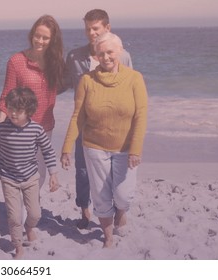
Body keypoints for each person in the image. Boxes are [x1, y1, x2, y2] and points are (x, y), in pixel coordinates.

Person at [60, 32, 148, 248]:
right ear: (96, 56)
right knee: (101, 196)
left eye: (110, 52)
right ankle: (107, 238)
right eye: (101, 53)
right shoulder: (87, 80)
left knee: (124, 197)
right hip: (94, 146)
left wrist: (136, 149)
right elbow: (78, 116)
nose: (106, 57)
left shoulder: (134, 78)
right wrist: (66, 148)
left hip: (125, 148)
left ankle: (121, 211)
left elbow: (141, 115)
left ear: (119, 52)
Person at [62, 9, 133, 229]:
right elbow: (62, 84)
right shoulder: (74, 56)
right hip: (85, 125)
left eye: (96, 28)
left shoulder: (122, 55)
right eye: (88, 29)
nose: (91, 33)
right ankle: (85, 211)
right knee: (83, 171)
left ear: (107, 28)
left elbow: (131, 88)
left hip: (116, 127)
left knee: (116, 171)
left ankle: (120, 211)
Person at [0, 87, 60, 259]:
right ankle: (18, 246)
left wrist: (53, 173)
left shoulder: (36, 129)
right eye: (10, 109)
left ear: (28, 111)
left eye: (17, 111)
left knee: (35, 214)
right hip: (8, 178)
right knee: (14, 216)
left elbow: (48, 151)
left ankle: (29, 227)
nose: (12, 113)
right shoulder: (1, 129)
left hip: (31, 177)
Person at [0, 15, 65, 188]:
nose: (40, 41)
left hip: (45, 127)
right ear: (32, 35)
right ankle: (19, 213)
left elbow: (64, 85)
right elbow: (5, 98)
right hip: (19, 129)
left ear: (52, 40)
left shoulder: (56, 62)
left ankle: (31, 213)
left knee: (40, 175)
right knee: (19, 175)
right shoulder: (16, 61)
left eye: (45, 38)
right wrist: (0, 131)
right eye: (37, 35)